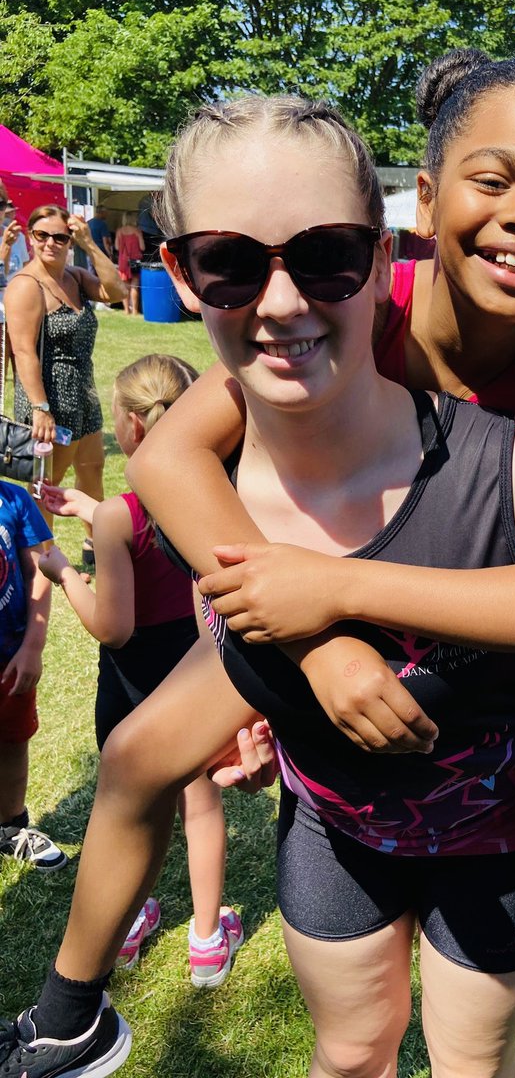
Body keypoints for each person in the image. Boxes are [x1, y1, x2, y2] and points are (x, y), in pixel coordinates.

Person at [1, 77, 515, 1078]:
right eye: (494, 179)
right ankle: (70, 1008)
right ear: (422, 208)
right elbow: (169, 459)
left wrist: (339, 597)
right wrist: (309, 641)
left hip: (510, 587)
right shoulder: (351, 298)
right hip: (336, 580)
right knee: (136, 753)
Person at [38, 354, 243, 984]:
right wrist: (89, 512)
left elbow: (114, 627)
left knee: (128, 808)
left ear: (127, 427)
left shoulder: (117, 517)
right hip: (193, 675)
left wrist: (67, 573)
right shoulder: (216, 497)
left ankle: (126, 925)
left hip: (130, 688)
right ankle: (207, 943)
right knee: (200, 805)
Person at [3, 205, 127, 562]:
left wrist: (90, 245)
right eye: (42, 235)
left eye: (60, 237)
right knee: (46, 484)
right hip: (48, 400)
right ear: (31, 236)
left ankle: (96, 543)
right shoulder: (26, 286)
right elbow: (24, 353)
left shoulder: (74, 277)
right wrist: (41, 409)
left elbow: (116, 291)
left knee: (92, 470)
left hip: (83, 394)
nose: (51, 243)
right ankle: (45, 556)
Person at [0, 478, 64, 873]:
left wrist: (32, 647)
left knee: (11, 739)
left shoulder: (13, 498)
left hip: (9, 655)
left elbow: (39, 569)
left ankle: (10, 825)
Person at [113, 213, 144, 316]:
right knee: (134, 286)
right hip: (135, 260)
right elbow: (142, 247)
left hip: (123, 261)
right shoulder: (137, 231)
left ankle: (126, 310)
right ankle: (135, 311)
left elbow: (117, 247)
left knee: (125, 286)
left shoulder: (119, 231)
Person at [0, 196, 30, 305]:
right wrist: (6, 246)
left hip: (16, 304)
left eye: (1, 206)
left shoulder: (18, 236)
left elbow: (25, 267)